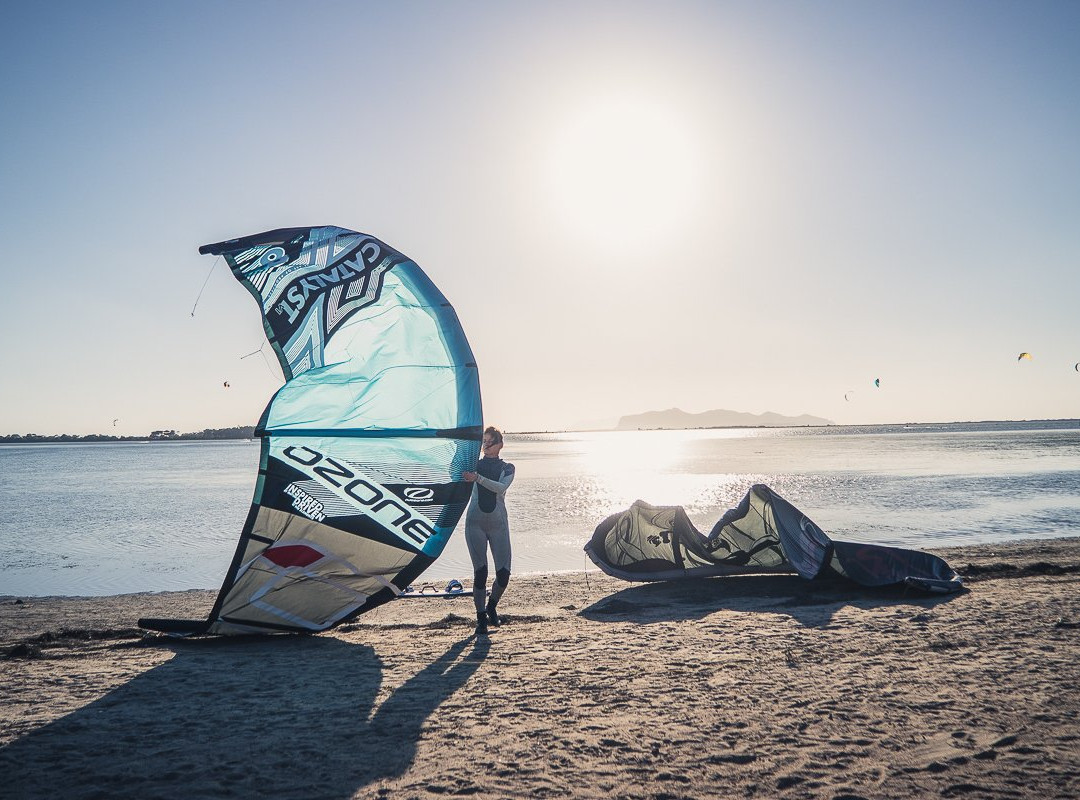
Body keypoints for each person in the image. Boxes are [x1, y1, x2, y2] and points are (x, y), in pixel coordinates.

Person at [462, 426, 515, 636]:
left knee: (504, 575)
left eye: (489, 442)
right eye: (483, 442)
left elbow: (501, 488)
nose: (485, 445)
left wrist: (478, 479)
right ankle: (481, 617)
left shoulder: (508, 467)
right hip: (474, 523)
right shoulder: (473, 465)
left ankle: (492, 605)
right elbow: (452, 473)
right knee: (480, 573)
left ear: (500, 445)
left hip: (498, 525)